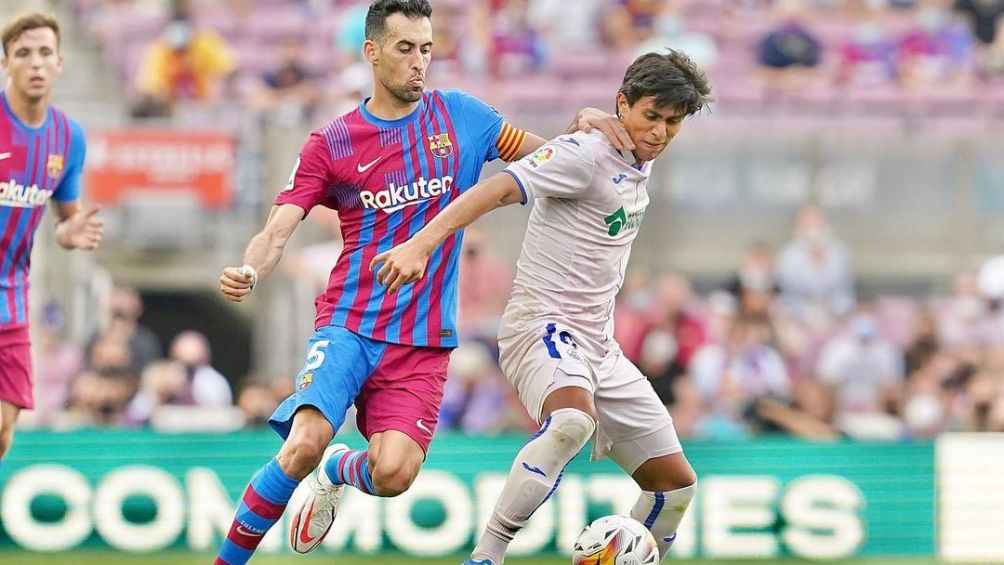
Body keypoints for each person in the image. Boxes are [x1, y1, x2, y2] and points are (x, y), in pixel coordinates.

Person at [213, 1, 629, 563]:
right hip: (350, 323)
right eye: (405, 48)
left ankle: (341, 468)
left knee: (392, 474)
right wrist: (250, 269)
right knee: (303, 443)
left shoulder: (463, 116)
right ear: (372, 51)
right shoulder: (333, 141)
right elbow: (278, 225)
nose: (418, 62)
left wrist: (582, 132)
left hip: (423, 341)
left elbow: (548, 159)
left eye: (426, 49)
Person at [372, 49, 712, 565]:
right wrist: (422, 243)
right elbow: (495, 191)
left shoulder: (631, 161)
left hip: (599, 346)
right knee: (572, 422)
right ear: (623, 104)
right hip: (542, 327)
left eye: (673, 122)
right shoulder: (585, 153)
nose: (660, 132)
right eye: (651, 116)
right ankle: (486, 556)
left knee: (675, 489)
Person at [0, 12, 103, 461]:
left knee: (3, 431)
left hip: (12, 297)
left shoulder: (67, 137)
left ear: (60, 62)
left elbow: (65, 219)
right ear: (6, 63)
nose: (35, 63)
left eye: (44, 53)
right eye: (23, 53)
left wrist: (70, 231)